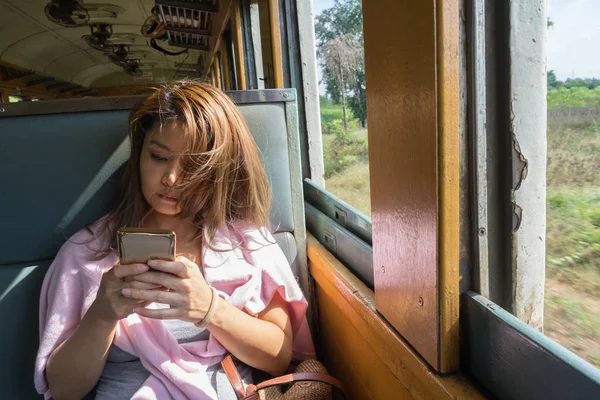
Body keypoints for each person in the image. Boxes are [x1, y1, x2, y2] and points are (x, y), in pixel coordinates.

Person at [34, 80, 315, 400]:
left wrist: (210, 309)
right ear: (140, 155)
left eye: (194, 164)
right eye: (158, 156)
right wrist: (102, 314)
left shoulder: (249, 245)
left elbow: (278, 358)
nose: (171, 178)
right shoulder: (85, 255)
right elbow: (64, 390)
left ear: (218, 170)